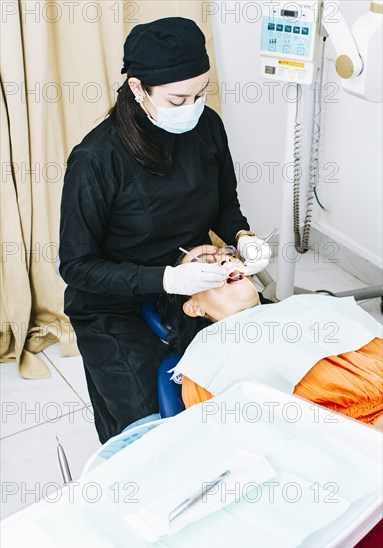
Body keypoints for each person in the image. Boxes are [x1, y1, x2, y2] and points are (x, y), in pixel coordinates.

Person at [59, 17, 270, 443]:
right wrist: (168, 278)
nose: (192, 108)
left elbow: (224, 205)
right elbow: (77, 266)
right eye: (177, 100)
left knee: (253, 388)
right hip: (112, 305)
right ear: (138, 88)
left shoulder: (207, 126)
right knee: (149, 427)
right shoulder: (96, 159)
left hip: (195, 284)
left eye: (200, 94)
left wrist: (244, 236)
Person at [158, 244, 383, 428]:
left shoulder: (307, 305)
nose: (226, 260)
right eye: (206, 264)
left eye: (228, 254)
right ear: (193, 308)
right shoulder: (206, 368)